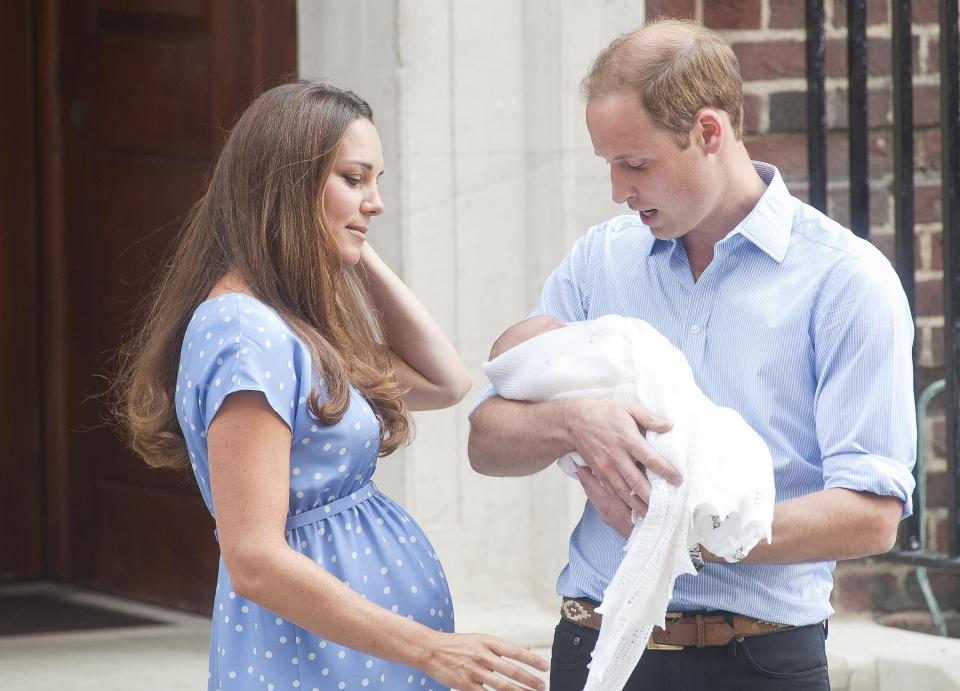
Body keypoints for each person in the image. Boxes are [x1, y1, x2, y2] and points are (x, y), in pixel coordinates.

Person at [468, 18, 916, 691]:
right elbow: (486, 438)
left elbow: (872, 513)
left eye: (636, 163)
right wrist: (574, 422)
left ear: (709, 132)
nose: (619, 189)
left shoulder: (846, 280)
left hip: (761, 661)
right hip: (597, 644)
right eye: (609, 164)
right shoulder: (599, 260)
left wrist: (688, 533)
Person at [115, 81, 548, 691]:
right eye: (353, 178)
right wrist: (431, 650)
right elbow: (254, 559)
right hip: (313, 660)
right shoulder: (243, 332)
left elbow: (445, 380)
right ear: (287, 187)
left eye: (376, 182)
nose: (375, 202)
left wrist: (350, 243)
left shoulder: (292, 324)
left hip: (365, 660)